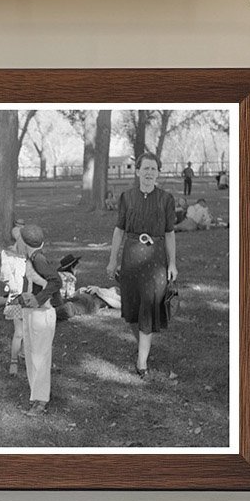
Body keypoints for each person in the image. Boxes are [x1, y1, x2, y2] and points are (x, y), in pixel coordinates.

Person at [106, 152, 179, 378]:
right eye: (145, 168)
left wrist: (172, 264)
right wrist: (112, 260)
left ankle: (142, 362)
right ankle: (143, 345)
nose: (149, 173)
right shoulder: (127, 197)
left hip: (156, 259)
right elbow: (119, 230)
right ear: (137, 171)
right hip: (130, 258)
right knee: (133, 307)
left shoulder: (166, 199)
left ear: (158, 173)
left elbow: (169, 233)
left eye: (153, 169)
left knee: (148, 306)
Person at [17, 224, 62, 417]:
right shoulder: (30, 258)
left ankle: (41, 401)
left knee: (40, 357)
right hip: (32, 312)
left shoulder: (38, 259)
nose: (16, 242)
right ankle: (37, 393)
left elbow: (55, 281)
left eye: (18, 239)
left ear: (25, 243)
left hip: (42, 314)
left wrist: (38, 299)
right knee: (31, 354)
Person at [0, 219, 27, 376]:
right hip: (15, 300)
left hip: (29, 299)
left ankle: (24, 354)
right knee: (19, 332)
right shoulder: (10, 256)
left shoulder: (29, 257)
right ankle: (13, 361)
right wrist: (8, 283)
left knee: (28, 331)